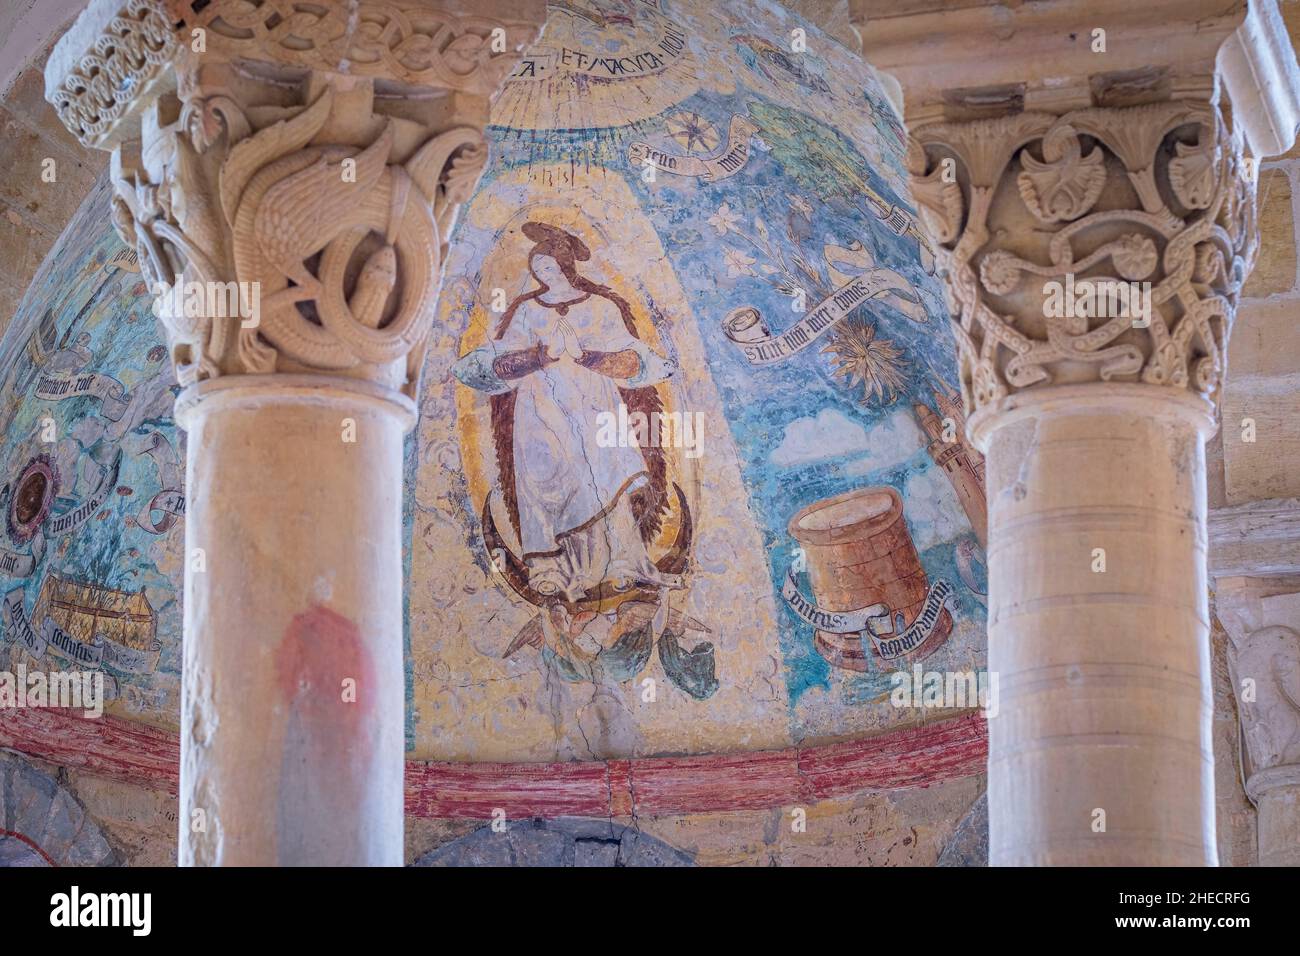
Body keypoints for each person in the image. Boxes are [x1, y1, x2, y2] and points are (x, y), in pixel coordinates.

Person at [453, 222, 682, 604]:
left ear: (565, 266)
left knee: (607, 478)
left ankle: (623, 563)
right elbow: (497, 359)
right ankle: (549, 570)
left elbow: (633, 358)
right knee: (542, 485)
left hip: (595, 409)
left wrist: (586, 356)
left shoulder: (602, 307)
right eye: (538, 270)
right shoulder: (527, 311)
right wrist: (537, 357)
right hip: (537, 412)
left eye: (550, 268)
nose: (544, 275)